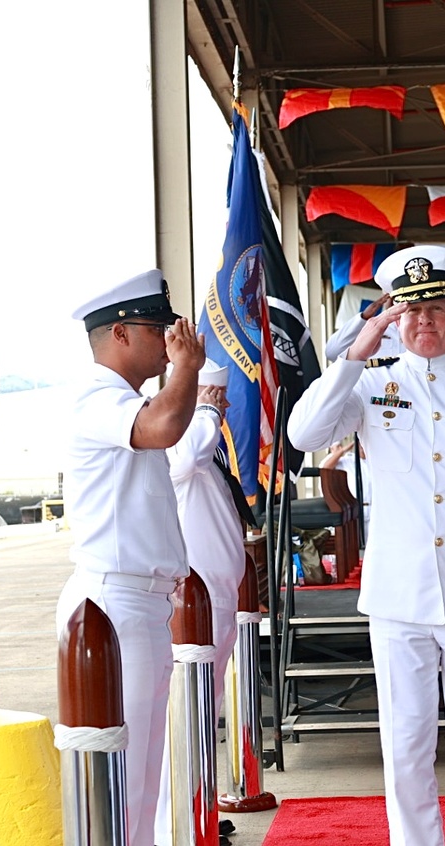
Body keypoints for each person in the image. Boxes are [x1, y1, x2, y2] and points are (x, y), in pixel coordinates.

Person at [287, 244, 445, 846]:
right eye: (408, 309)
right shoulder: (370, 386)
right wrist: (353, 356)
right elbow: (304, 434)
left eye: (435, 306)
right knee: (406, 741)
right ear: (392, 319)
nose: (422, 319)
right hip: (398, 594)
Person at [56, 269, 204, 846]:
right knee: (124, 779)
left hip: (139, 602)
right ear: (119, 333)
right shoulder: (95, 398)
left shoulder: (124, 400)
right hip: (113, 600)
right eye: (157, 329)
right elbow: (166, 426)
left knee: (140, 779)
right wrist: (188, 367)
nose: (170, 340)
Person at [156, 359, 252, 845]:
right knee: (186, 713)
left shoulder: (206, 451)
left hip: (215, 599)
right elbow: (183, 457)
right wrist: (205, 412)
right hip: (196, 603)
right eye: (219, 396)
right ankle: (177, 821)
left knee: (204, 710)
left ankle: (198, 810)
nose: (227, 405)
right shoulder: (184, 441)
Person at [325, 292, 403, 361]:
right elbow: (332, 353)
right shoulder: (368, 327)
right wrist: (363, 317)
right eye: (390, 296)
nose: (394, 303)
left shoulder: (412, 327)